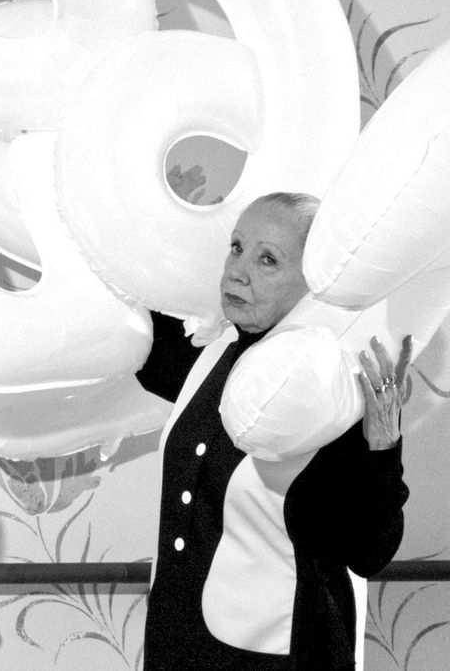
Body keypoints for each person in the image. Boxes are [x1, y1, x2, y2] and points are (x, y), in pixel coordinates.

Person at [135, 192, 411, 670]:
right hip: (175, 647)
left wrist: (382, 444)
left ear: (312, 282)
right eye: (236, 247)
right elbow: (140, 345)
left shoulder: (327, 392)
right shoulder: (212, 349)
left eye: (268, 260)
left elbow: (370, 552)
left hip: (284, 653)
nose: (237, 271)